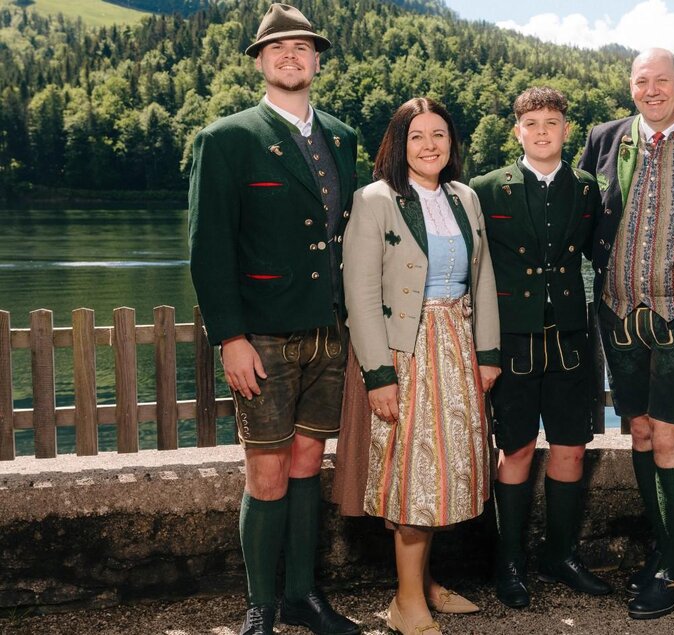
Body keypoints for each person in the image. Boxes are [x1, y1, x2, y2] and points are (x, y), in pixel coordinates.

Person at [188, 4, 360, 635]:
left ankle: (302, 595)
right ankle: (260, 605)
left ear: (317, 61)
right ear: (259, 61)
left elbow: (346, 237)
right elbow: (209, 250)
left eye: (304, 48)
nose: (292, 56)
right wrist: (230, 337)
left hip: (328, 332)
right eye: (279, 48)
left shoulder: (342, 137)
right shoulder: (225, 139)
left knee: (310, 461)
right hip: (260, 334)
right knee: (265, 469)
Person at [339, 97, 501, 635]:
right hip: (405, 352)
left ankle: (425, 585)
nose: (429, 145)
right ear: (398, 144)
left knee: (443, 474)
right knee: (411, 478)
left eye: (439, 135)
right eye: (417, 136)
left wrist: (488, 353)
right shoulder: (376, 200)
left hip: (456, 344)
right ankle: (406, 601)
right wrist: (378, 374)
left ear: (452, 143)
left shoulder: (465, 197)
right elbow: (360, 293)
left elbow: (481, 277)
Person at [577, 48, 674, 620]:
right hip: (617, 309)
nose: (653, 90)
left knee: (669, 435)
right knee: (638, 429)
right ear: (631, 87)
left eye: (662, 80)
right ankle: (661, 550)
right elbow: (584, 208)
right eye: (643, 81)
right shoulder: (606, 137)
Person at [468, 87, 611, 609]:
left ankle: (561, 555)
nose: (543, 130)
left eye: (553, 121)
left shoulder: (589, 188)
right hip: (513, 340)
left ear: (567, 130)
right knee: (518, 449)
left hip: (572, 338)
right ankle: (510, 564)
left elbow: (603, 255)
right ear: (518, 131)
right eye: (532, 122)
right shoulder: (485, 189)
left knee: (572, 445)